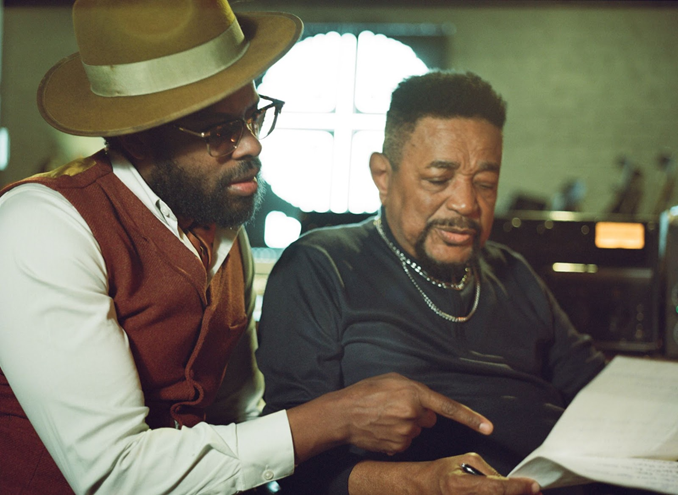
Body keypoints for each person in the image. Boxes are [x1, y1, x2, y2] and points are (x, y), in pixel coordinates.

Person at [0, 3, 545, 495]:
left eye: (253, 115)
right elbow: (115, 473)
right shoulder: (41, 225)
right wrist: (335, 417)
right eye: (218, 131)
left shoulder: (220, 229)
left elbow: (238, 422)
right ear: (139, 136)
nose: (252, 144)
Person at [256, 70, 607, 494]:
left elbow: (601, 393)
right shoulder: (320, 265)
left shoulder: (513, 272)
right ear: (383, 176)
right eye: (439, 180)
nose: (466, 203)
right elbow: (289, 456)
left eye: (486, 183)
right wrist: (421, 483)